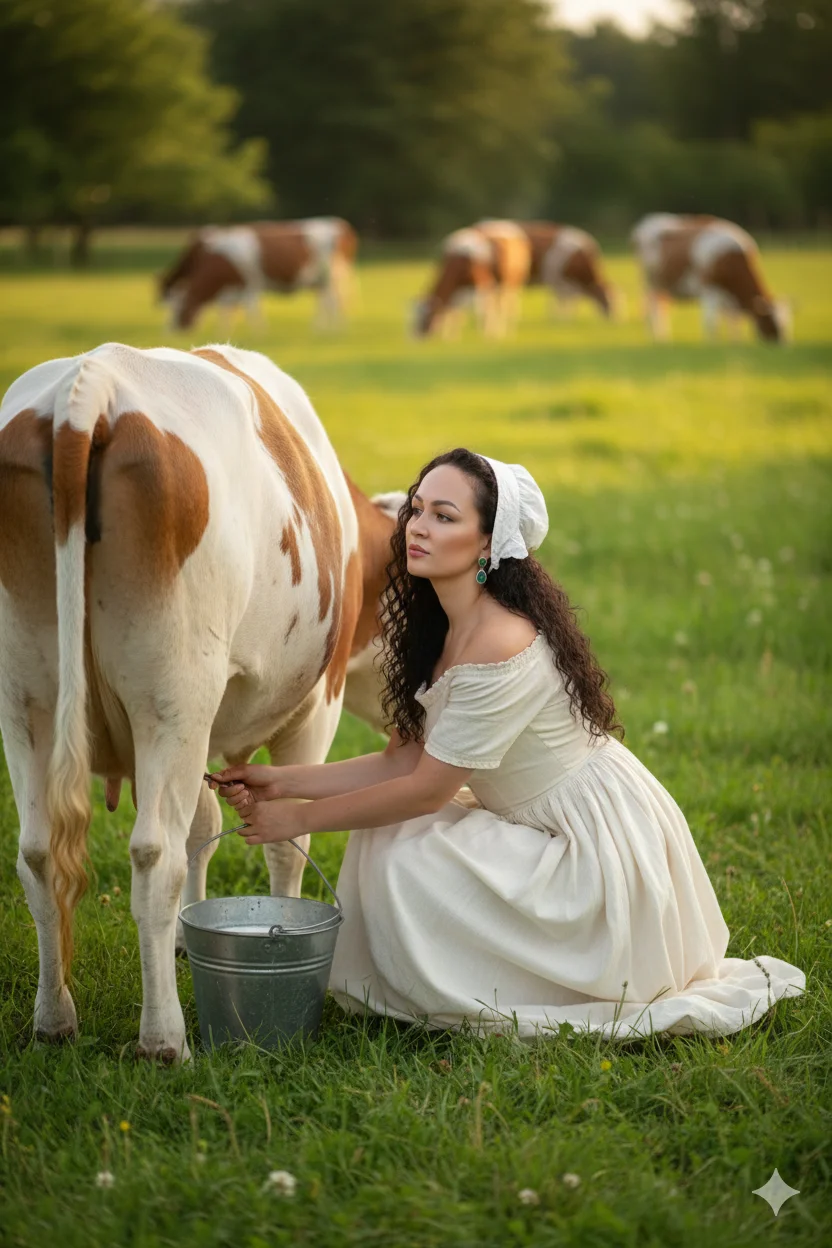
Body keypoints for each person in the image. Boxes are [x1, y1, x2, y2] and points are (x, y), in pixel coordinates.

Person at [209, 448, 805, 1041]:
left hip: (591, 848)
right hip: (534, 819)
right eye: (416, 510)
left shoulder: (500, 640)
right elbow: (406, 757)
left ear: (490, 544)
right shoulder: (439, 627)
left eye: (445, 516)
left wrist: (295, 818)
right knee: (389, 836)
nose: (418, 526)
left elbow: (423, 790)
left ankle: (476, 990)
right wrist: (280, 781)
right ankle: (437, 980)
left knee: (400, 845)